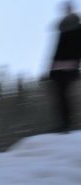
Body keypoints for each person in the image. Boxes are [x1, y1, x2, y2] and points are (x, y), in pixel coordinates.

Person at [49, 1, 81, 132]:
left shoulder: (78, 27)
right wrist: (51, 68)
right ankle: (63, 124)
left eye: (68, 8)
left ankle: (66, 125)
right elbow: (57, 49)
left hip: (69, 65)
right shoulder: (62, 28)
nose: (66, 11)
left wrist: (75, 64)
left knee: (65, 96)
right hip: (58, 67)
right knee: (60, 96)